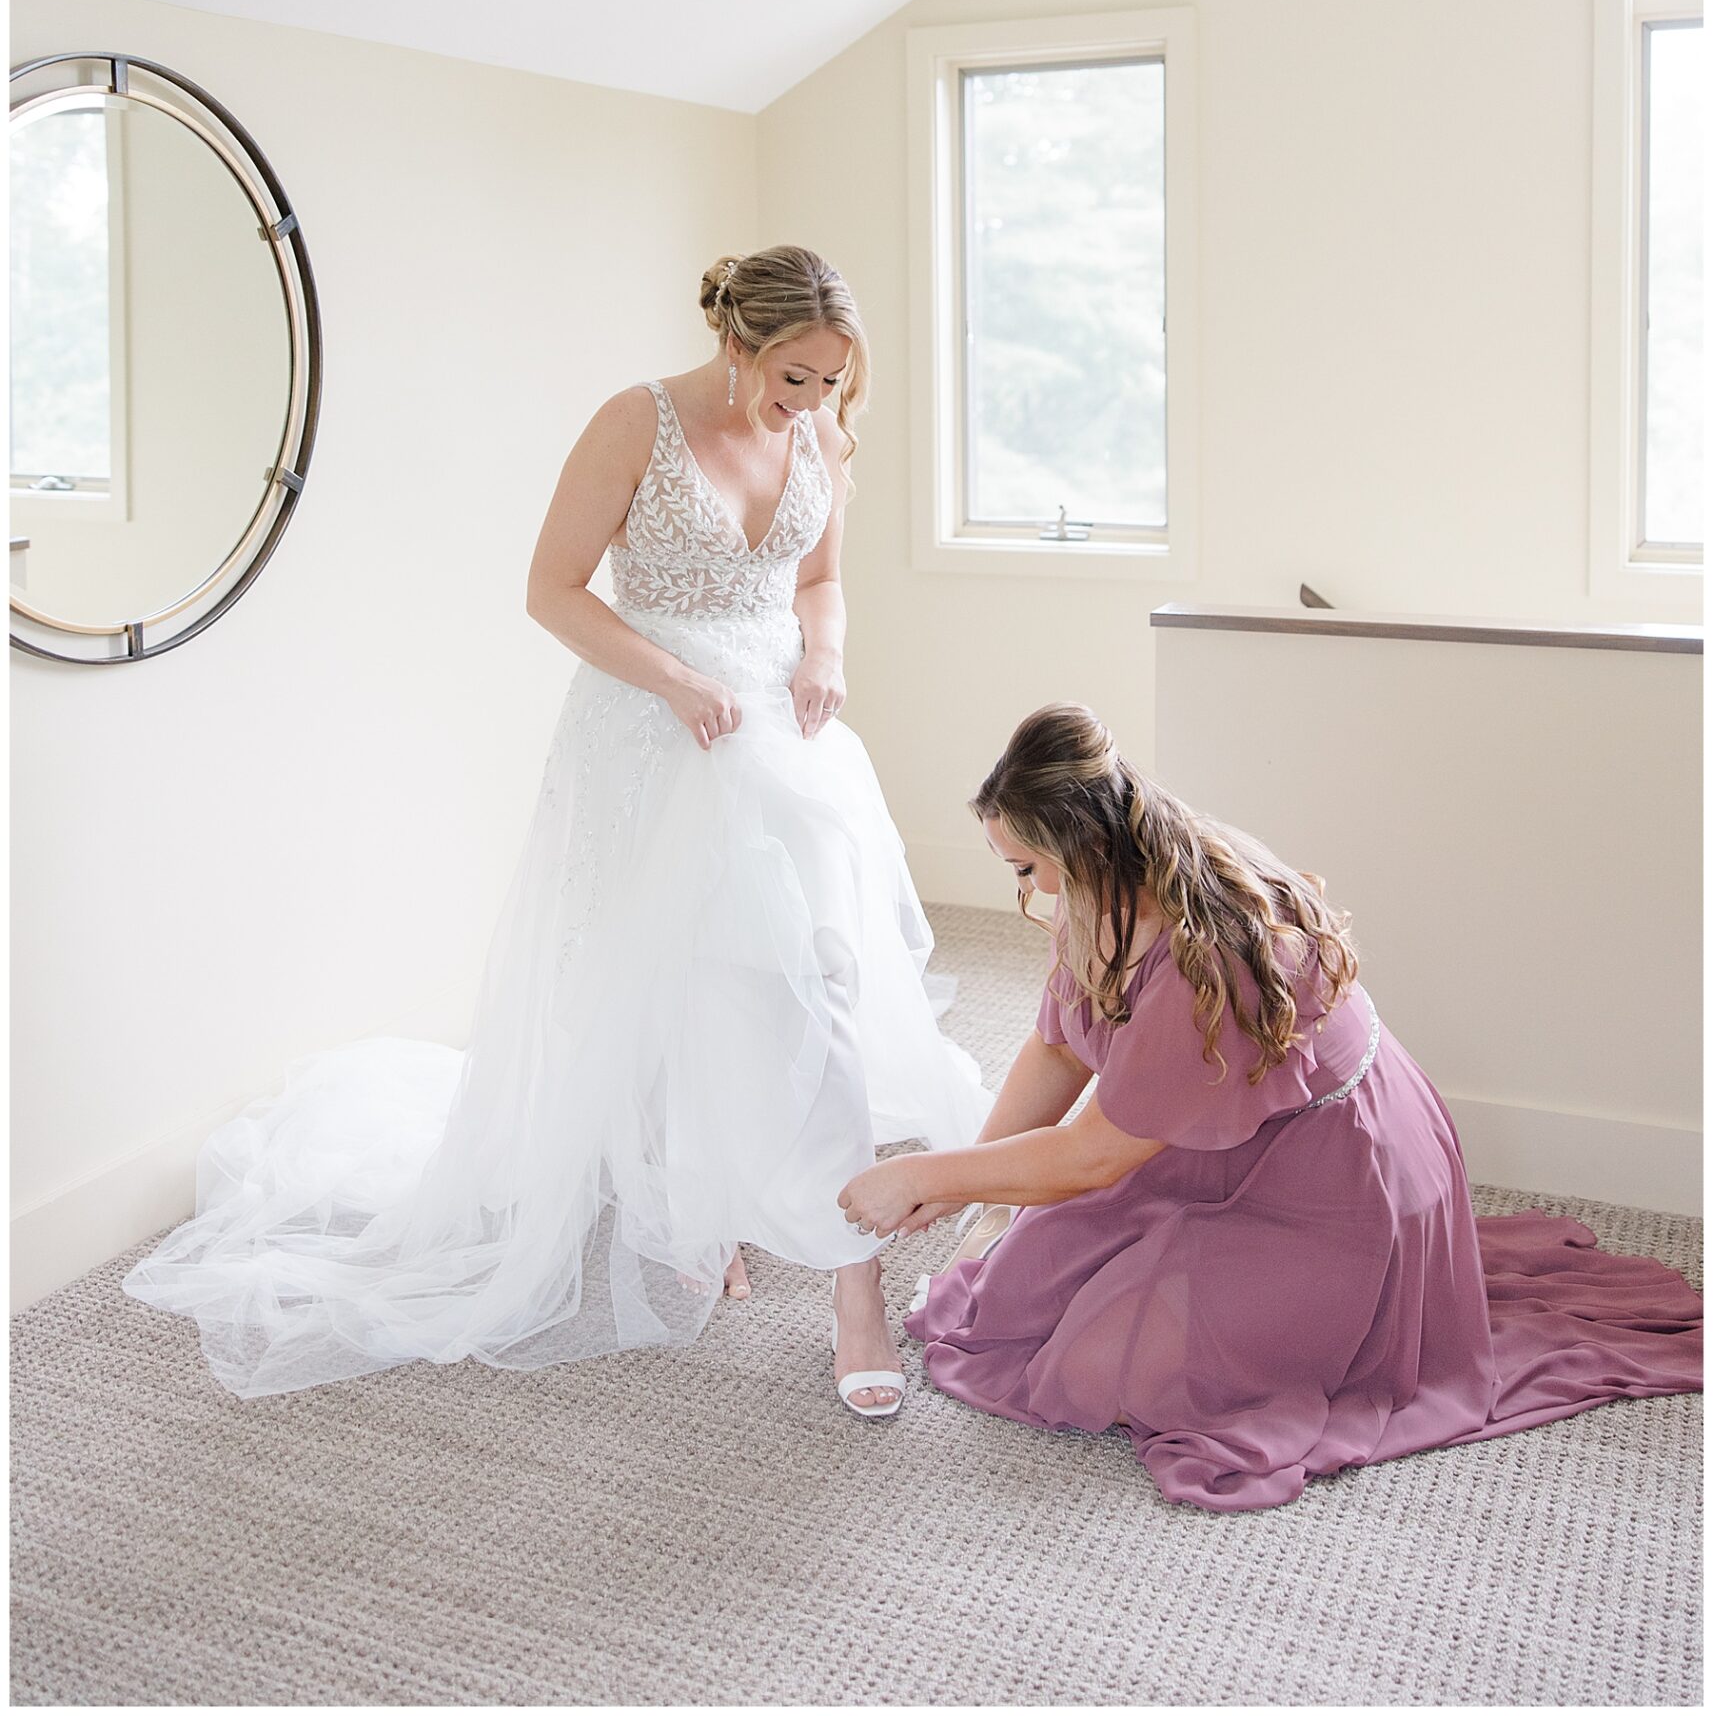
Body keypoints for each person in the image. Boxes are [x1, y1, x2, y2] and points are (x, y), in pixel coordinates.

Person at [125, 246, 987, 1415]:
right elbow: (555, 587)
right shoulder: (636, 423)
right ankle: (699, 1202)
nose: (815, 403)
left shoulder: (820, 436)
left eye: (832, 381)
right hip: (653, 731)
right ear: (739, 345)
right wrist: (674, 680)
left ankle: (854, 1289)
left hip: (784, 740)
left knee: (811, 979)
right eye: (794, 377)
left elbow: (821, 583)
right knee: (663, 981)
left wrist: (825, 649)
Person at [838, 703, 1702, 1508]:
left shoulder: (1202, 948)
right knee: (1016, 1300)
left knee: (1118, 1364)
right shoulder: (1104, 892)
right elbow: (1059, 1047)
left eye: (1027, 868)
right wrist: (968, 1185)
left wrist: (924, 1171)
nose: (1027, 893)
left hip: (1333, 1180)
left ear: (1081, 847)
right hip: (1228, 1143)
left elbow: (1095, 1155)